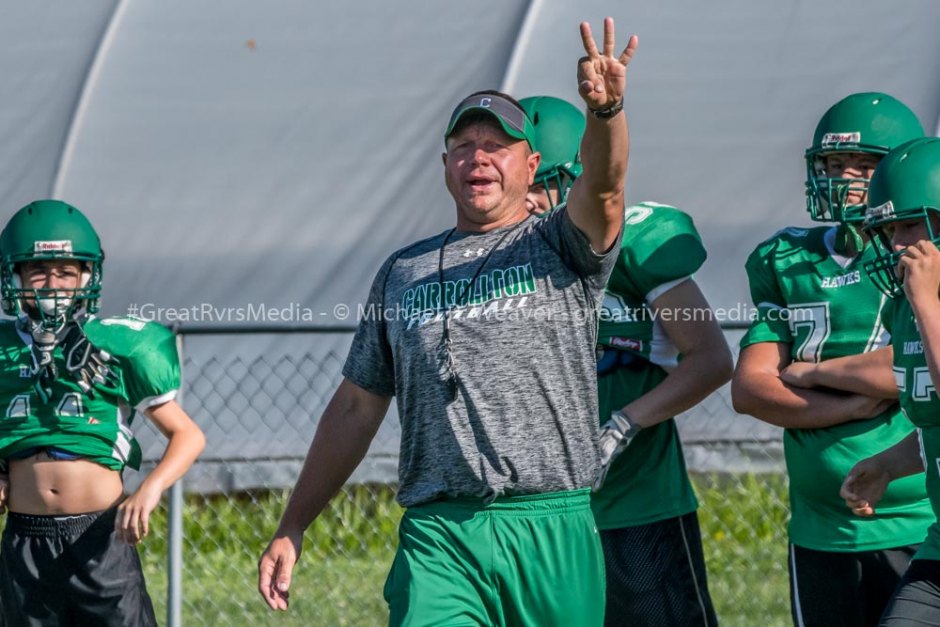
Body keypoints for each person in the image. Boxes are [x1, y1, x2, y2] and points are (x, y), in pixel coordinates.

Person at [258, 17, 636, 626]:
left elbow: (607, 189)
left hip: (549, 523)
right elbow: (357, 406)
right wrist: (292, 524)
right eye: (464, 146)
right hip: (441, 533)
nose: (478, 159)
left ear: (531, 163)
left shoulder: (561, 244)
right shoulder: (402, 272)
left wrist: (607, 110)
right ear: (444, 164)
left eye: (496, 146)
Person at [522, 93, 729, 625]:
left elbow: (709, 358)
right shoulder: (498, 260)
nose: (524, 200)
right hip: (537, 515)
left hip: (638, 503)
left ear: (575, 177)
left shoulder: (636, 240)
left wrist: (623, 423)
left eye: (538, 184)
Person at [731, 93, 932, 627]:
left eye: (864, 164)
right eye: (833, 163)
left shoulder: (915, 252)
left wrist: (813, 373)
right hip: (820, 525)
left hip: (917, 521)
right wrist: (851, 407)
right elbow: (750, 388)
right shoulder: (786, 257)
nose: (845, 177)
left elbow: (909, 364)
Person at [0, 199, 206, 626]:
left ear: (86, 276)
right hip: (26, 540)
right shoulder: (5, 349)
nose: (51, 283)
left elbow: (188, 436)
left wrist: (149, 490)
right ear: (14, 275)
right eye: (37, 270)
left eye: (64, 272)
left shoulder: (116, 344)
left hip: (100, 536)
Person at [782, 137, 940, 625]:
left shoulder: (923, 305)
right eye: (888, 229)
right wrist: (889, 464)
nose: (896, 244)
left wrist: (929, 304)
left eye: (911, 224)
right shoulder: (908, 308)